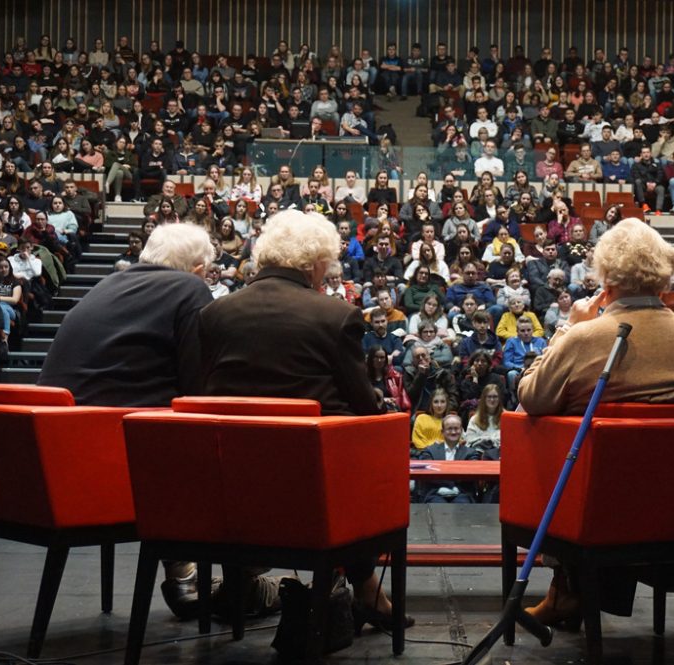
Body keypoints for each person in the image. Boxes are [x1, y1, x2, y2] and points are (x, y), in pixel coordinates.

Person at [519, 217, 674, 626]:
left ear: (604, 280)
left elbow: (531, 397)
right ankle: (572, 592)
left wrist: (567, 327)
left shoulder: (586, 336)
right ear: (664, 279)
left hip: (600, 514)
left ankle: (569, 588)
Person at [197, 210, 412, 630]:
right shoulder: (334, 316)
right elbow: (365, 408)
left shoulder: (215, 314)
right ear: (314, 263)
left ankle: (239, 576)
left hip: (231, 487)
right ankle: (367, 588)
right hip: (311, 492)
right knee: (357, 451)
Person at [37, 223, 215, 619]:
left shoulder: (106, 284)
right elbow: (196, 391)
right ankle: (225, 579)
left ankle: (185, 570)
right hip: (113, 464)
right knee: (220, 447)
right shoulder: (191, 289)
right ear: (200, 270)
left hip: (60, 458)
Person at [415, 414, 482, 503]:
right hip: (436, 493)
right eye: (449, 429)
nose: (453, 432)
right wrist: (450, 484)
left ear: (461, 431)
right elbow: (428, 475)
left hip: (461, 493)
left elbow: (469, 476)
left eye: (456, 428)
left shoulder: (471, 453)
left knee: (462, 503)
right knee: (437, 505)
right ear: (442, 432)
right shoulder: (430, 451)